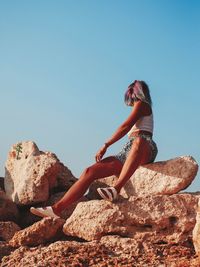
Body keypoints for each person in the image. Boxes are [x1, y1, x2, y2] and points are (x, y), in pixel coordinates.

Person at [30, 80, 158, 218]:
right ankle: (56, 209)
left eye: (131, 98)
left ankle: (116, 189)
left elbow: (125, 127)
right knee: (89, 171)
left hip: (145, 146)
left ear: (136, 94)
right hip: (128, 151)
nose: (131, 102)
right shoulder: (139, 107)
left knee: (138, 141)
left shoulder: (142, 105)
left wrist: (106, 145)